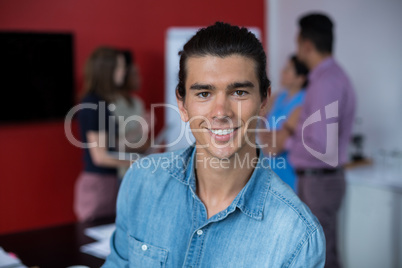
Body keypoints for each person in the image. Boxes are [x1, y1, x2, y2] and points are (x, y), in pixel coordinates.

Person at [103, 22, 325, 267]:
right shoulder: (140, 183)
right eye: (203, 94)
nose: (221, 113)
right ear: (182, 105)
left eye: (239, 92)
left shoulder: (298, 236)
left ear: (263, 101)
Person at [287, 13, 356, 268]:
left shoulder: (326, 82)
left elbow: (319, 143)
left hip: (320, 181)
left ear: (306, 44)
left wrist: (285, 142)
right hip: (318, 180)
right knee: (323, 253)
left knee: (320, 257)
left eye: (297, 43)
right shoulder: (329, 78)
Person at [74, 47, 144, 222]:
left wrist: (140, 131)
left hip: (108, 182)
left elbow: (111, 144)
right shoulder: (93, 103)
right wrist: (137, 161)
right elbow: (100, 156)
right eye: (120, 67)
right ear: (108, 70)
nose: (124, 72)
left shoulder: (102, 102)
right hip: (99, 185)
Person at [258, 55, 308, 192]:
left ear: (300, 78)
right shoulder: (278, 97)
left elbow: (274, 149)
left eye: (287, 70)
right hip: (270, 170)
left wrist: (271, 139)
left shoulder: (304, 101)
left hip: (290, 171)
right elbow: (260, 124)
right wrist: (271, 137)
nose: (282, 73)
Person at [112, 50, 150, 181]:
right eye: (135, 74)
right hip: (122, 174)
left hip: (139, 170)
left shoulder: (138, 103)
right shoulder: (112, 104)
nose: (140, 78)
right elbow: (114, 145)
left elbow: (143, 140)